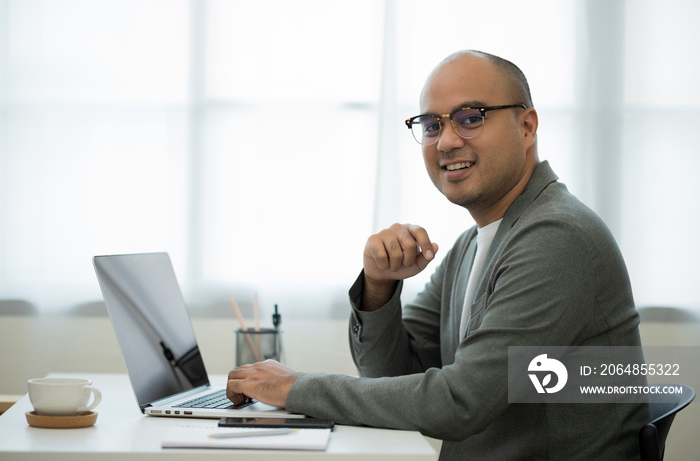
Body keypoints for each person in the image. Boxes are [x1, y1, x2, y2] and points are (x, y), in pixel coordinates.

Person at [227, 50, 649, 460]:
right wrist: (379, 285)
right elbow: (390, 378)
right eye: (431, 125)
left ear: (526, 126)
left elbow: (458, 403)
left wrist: (296, 387)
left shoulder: (557, 236)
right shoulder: (472, 244)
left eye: (471, 118)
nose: (446, 141)